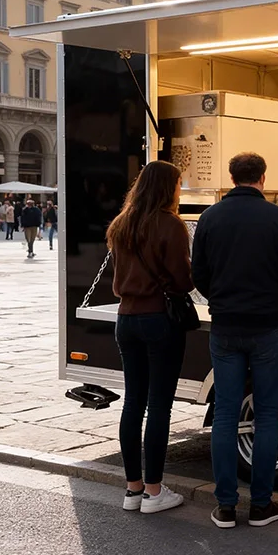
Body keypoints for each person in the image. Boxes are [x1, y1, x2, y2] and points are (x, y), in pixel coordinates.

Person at [192, 152, 278, 530]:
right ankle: (261, 505)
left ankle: (225, 506)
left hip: (225, 326)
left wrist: (220, 301)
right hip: (267, 326)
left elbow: (199, 274)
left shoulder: (210, 218)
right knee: (268, 413)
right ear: (263, 177)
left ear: (232, 177)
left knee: (225, 414)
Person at [106, 160, 193, 515]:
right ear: (167, 188)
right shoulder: (170, 224)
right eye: (178, 185)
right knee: (159, 406)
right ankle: (155, 492)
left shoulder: (120, 223)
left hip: (125, 319)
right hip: (159, 319)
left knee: (133, 403)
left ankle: (133, 490)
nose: (179, 191)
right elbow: (183, 280)